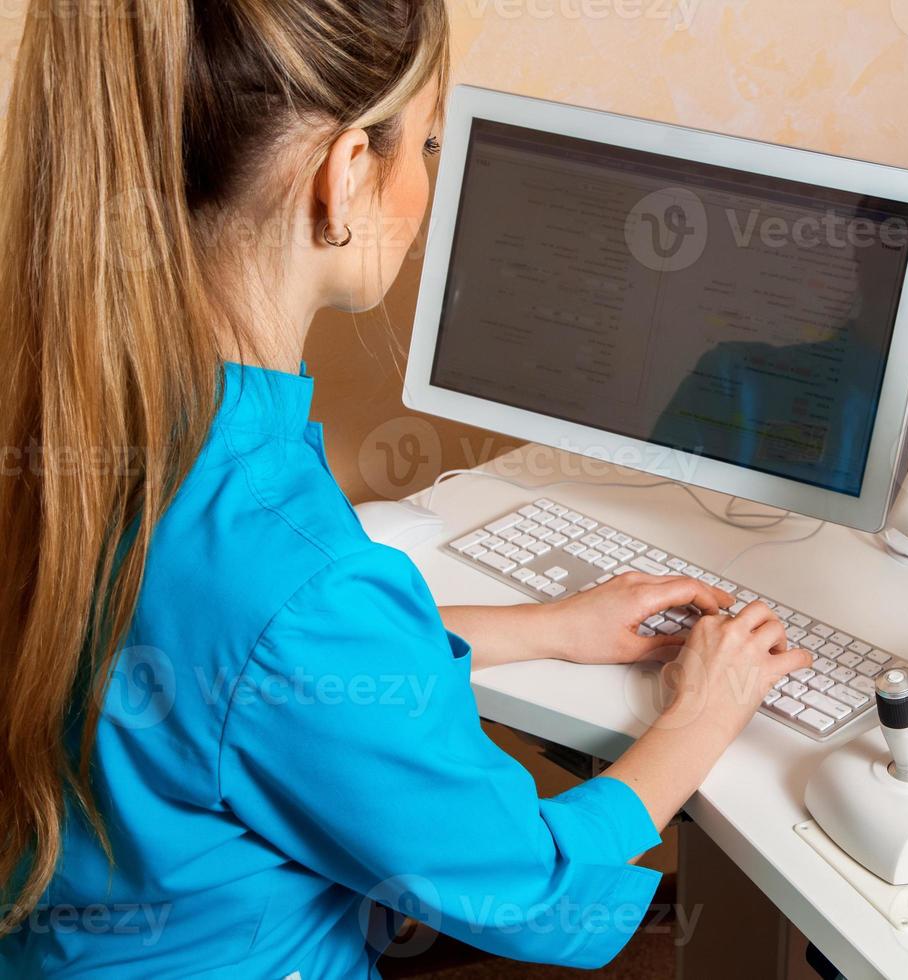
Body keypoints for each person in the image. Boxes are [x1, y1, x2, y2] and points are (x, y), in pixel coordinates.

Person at [0, 2, 811, 976]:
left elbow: (240, 665)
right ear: (344, 178)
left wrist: (546, 625)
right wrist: (700, 712)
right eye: (426, 142)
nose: (432, 179)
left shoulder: (103, 419)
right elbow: (533, 891)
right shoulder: (295, 578)